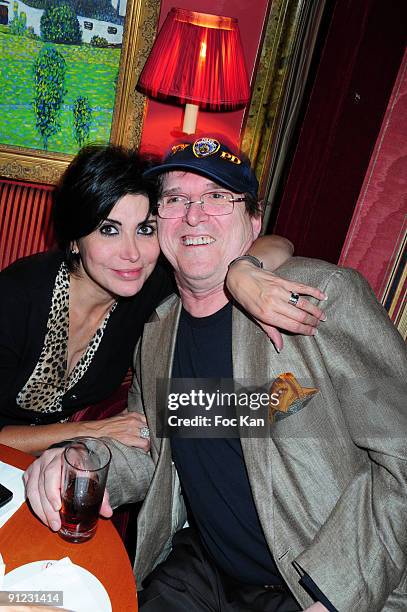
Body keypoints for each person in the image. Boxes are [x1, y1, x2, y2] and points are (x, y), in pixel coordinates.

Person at [25, 136, 406, 611]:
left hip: (316, 582)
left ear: (254, 220)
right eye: (175, 199)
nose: (194, 214)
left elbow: (402, 459)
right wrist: (80, 457)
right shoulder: (158, 331)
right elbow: (150, 446)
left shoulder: (320, 296)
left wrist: (335, 596)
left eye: (217, 197)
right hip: (203, 568)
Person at [0, 144, 325, 456]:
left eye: (145, 230)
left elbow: (279, 242)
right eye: (109, 230)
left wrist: (241, 273)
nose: (132, 254)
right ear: (74, 239)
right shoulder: (16, 298)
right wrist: (95, 430)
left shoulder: (150, 286)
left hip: (53, 463)